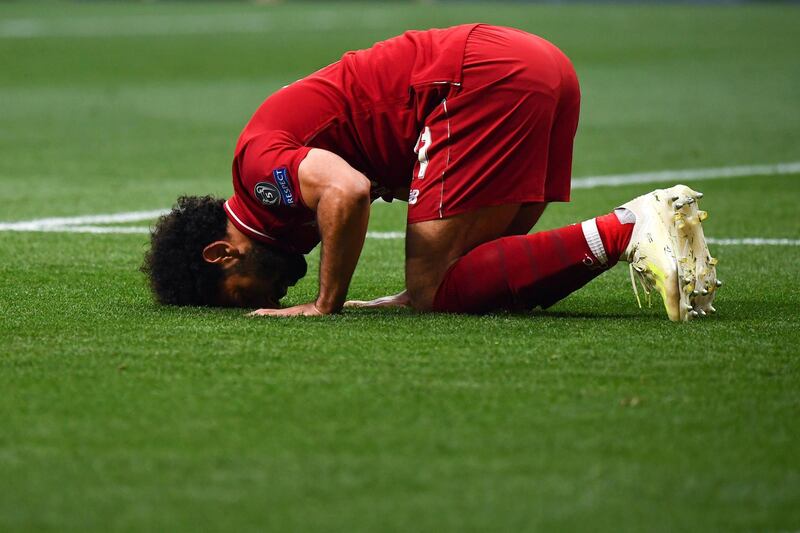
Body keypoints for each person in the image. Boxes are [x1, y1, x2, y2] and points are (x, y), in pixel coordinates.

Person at [142, 24, 720, 322]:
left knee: (435, 292)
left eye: (242, 299)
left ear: (222, 254)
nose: (267, 299)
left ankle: (630, 225)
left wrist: (326, 304)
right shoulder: (278, 201)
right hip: (534, 65)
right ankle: (646, 230)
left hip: (476, 82)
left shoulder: (257, 173)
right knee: (471, 285)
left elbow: (347, 191)